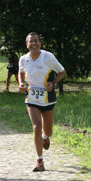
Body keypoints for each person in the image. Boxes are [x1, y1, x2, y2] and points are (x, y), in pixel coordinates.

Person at [19, 33, 66, 172]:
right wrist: (21, 84)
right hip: (32, 98)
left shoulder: (48, 57)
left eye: (36, 41)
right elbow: (21, 73)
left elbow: (62, 72)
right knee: (36, 127)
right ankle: (39, 160)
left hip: (48, 98)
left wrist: (53, 82)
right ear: (27, 45)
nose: (33, 44)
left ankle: (46, 137)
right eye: (30, 42)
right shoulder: (23, 59)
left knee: (48, 131)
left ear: (40, 43)